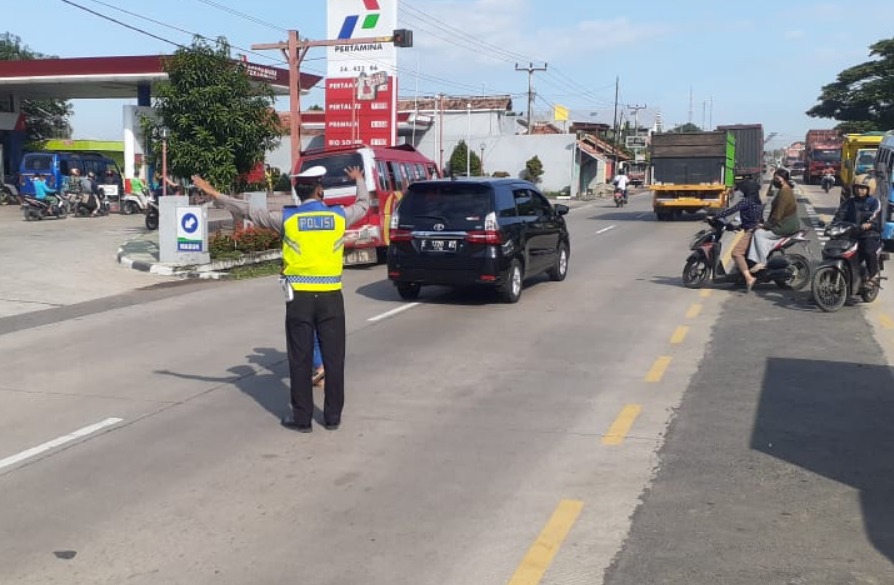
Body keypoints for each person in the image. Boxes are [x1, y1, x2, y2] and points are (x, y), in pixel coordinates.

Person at [191, 166, 369, 432]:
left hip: (299, 299)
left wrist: (215, 193)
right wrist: (359, 180)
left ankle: (302, 419)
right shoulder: (337, 216)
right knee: (333, 358)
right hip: (331, 297)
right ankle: (332, 418)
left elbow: (250, 211)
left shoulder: (288, 218)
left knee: (300, 358)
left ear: (298, 192)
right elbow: (364, 204)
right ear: (320, 191)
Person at [749, 168, 800, 275]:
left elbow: (777, 215)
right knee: (759, 232)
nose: (774, 181)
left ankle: (762, 263)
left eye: (777, 178)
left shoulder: (785, 192)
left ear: (783, 179)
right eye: (774, 178)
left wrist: (764, 225)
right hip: (786, 224)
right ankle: (759, 260)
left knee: (758, 234)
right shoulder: (785, 190)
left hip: (785, 226)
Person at [716, 180, 763, 290]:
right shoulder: (757, 201)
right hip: (754, 229)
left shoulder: (747, 201)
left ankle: (749, 278)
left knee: (736, 253)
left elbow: (732, 210)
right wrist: (739, 226)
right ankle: (742, 277)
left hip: (751, 231)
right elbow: (753, 218)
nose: (742, 192)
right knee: (744, 254)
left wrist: (716, 215)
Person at [832, 180, 882, 285]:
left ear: (869, 189)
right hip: (851, 232)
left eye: (863, 188)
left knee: (868, 250)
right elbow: (840, 214)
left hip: (869, 234)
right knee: (836, 247)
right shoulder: (849, 202)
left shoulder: (874, 202)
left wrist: (869, 224)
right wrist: (833, 224)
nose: (859, 190)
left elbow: (874, 215)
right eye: (857, 187)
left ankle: (872, 275)